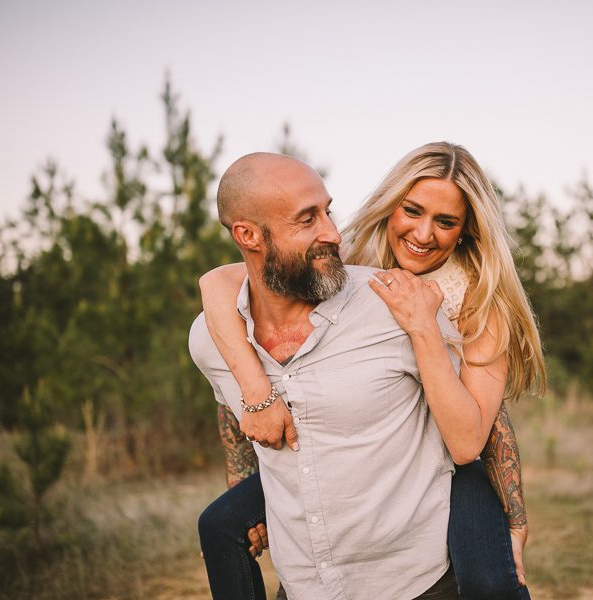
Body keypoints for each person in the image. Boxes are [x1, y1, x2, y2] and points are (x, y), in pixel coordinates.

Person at [199, 142, 546, 599]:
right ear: (390, 206)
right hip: (344, 453)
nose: (423, 233)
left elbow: (488, 425)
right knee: (220, 525)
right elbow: (218, 283)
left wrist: (515, 520)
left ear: (466, 231)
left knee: (491, 580)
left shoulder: (477, 300)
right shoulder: (348, 259)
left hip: (449, 456)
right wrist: (255, 390)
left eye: (445, 222)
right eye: (413, 211)